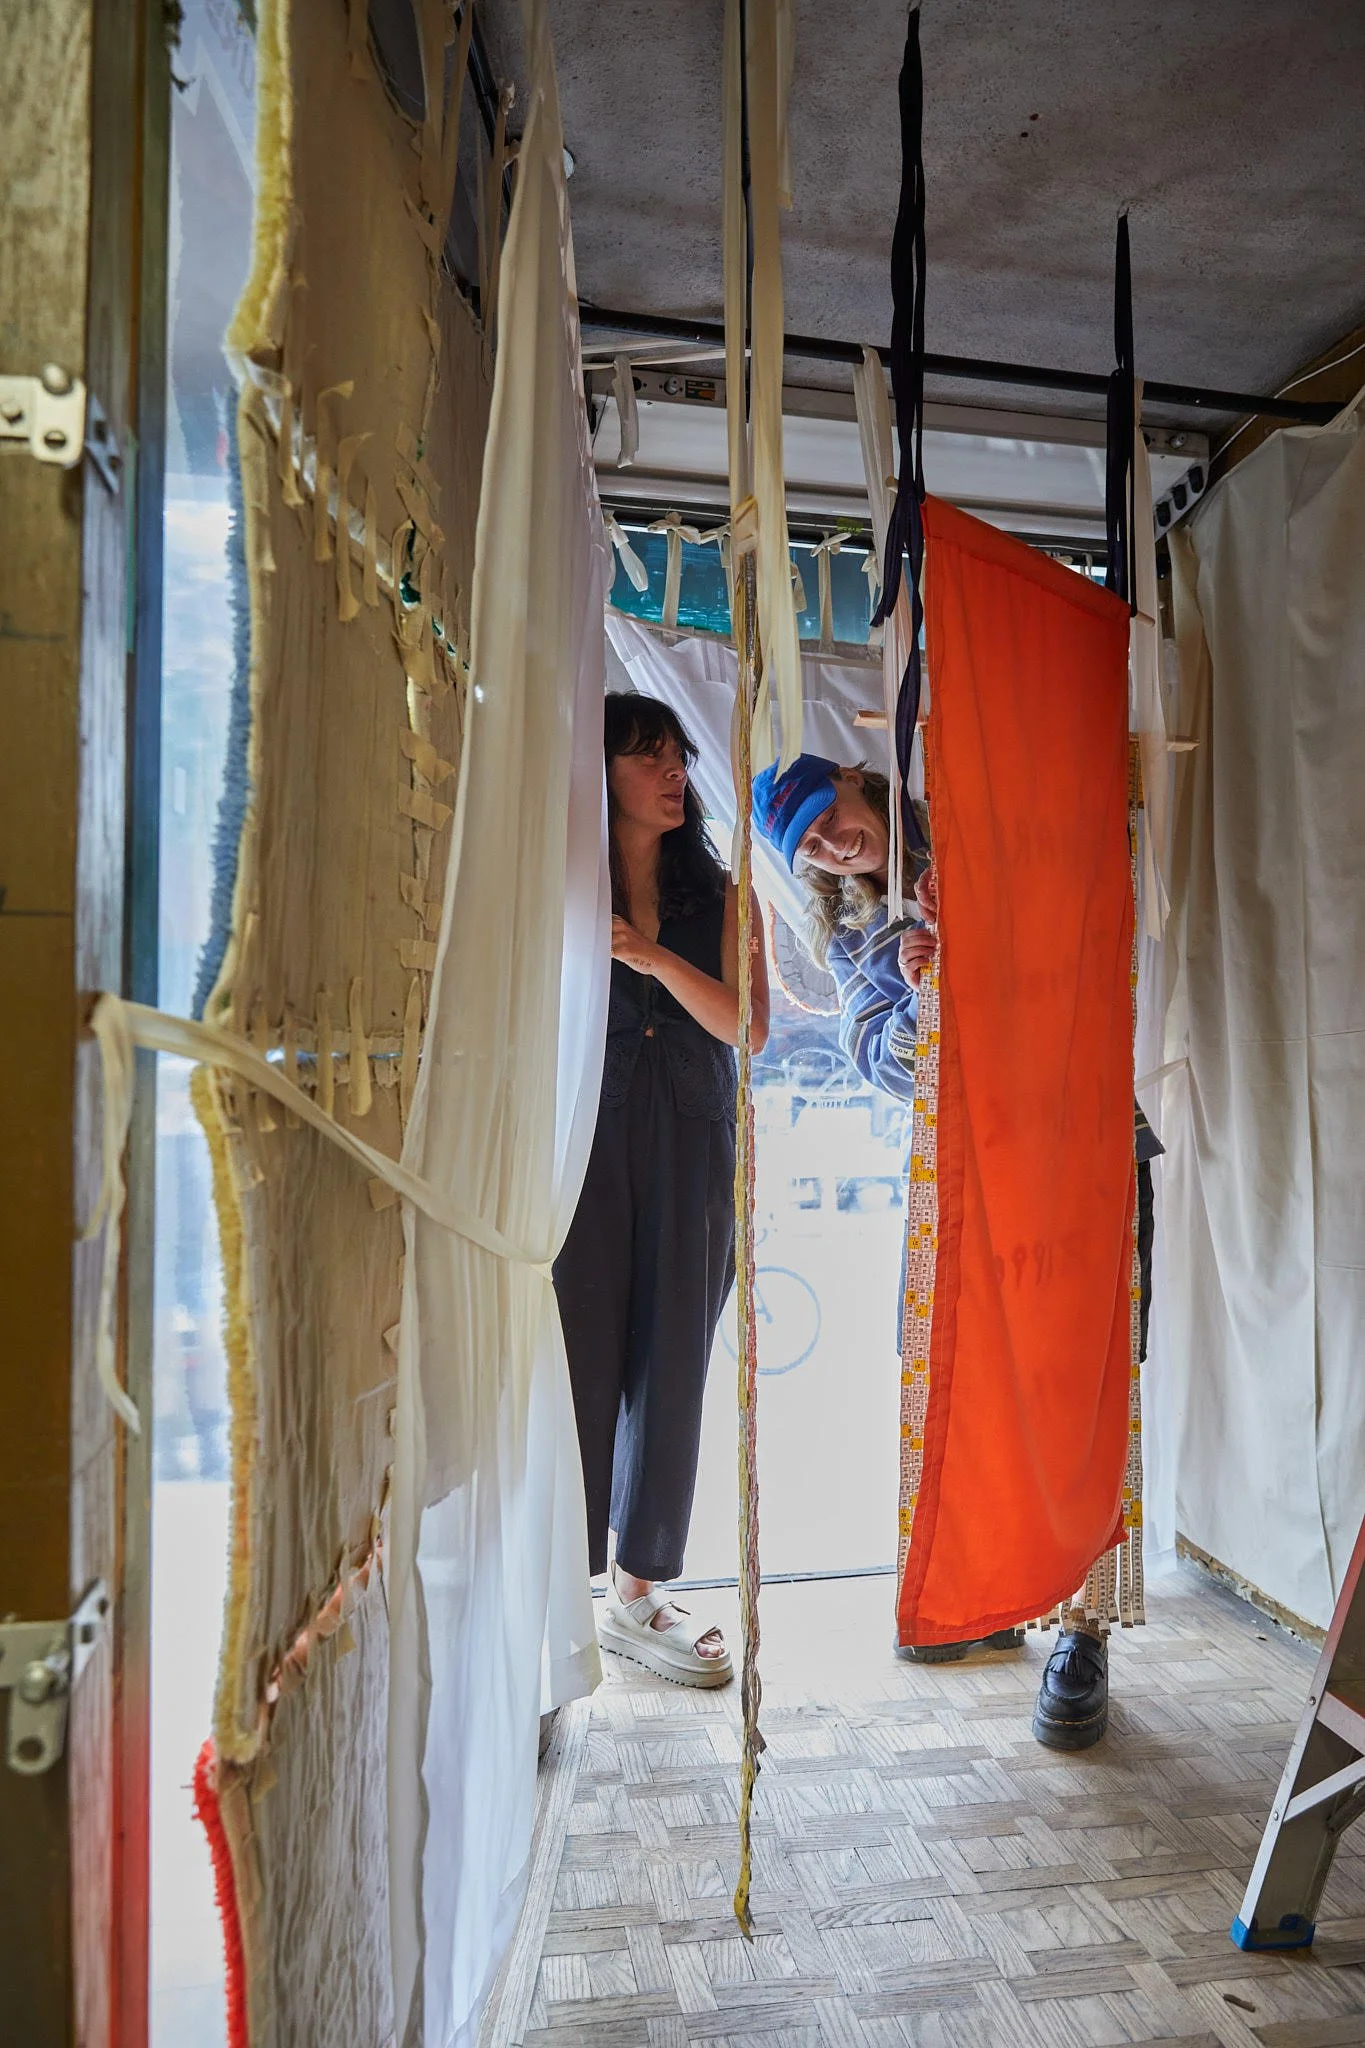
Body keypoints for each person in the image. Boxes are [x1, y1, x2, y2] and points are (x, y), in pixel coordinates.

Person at [753, 752, 1158, 1749]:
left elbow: (1083, 930)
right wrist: (931, 987)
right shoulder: (855, 930)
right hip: (967, 1169)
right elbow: (878, 1055)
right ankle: (1001, 1580)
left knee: (1088, 1385)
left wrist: (987, 913)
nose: (826, 841)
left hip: (1083, 1131)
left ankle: (1085, 1625)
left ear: (860, 783)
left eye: (826, 815)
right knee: (975, 1387)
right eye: (803, 843)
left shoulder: (984, 821)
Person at [554, 694, 769, 1688]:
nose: (672, 771)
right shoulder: (561, 882)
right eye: (648, 756)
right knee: (578, 1350)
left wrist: (645, 953)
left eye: (677, 754)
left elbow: (746, 1025)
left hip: (690, 1137)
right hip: (585, 1139)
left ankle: (639, 1589)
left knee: (673, 1356)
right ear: (601, 771)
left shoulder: (718, 894)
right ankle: (561, 1580)